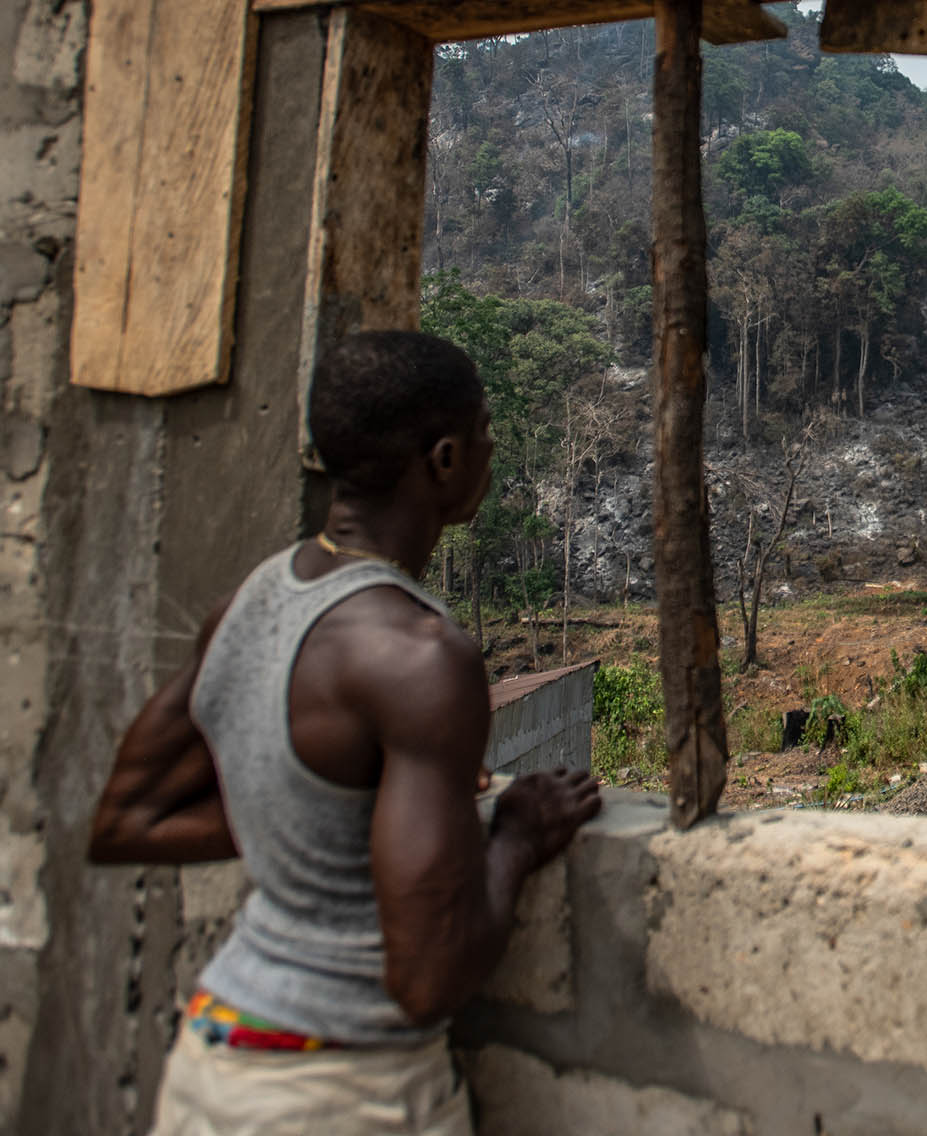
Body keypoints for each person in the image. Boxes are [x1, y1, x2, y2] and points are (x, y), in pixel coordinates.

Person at [88, 330, 602, 1135]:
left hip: (214, 1056)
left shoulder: (255, 599)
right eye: (484, 438)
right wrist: (515, 837)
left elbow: (127, 821)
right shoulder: (422, 657)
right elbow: (427, 981)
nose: (490, 455)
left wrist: (326, 821)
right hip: (337, 1088)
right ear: (443, 461)